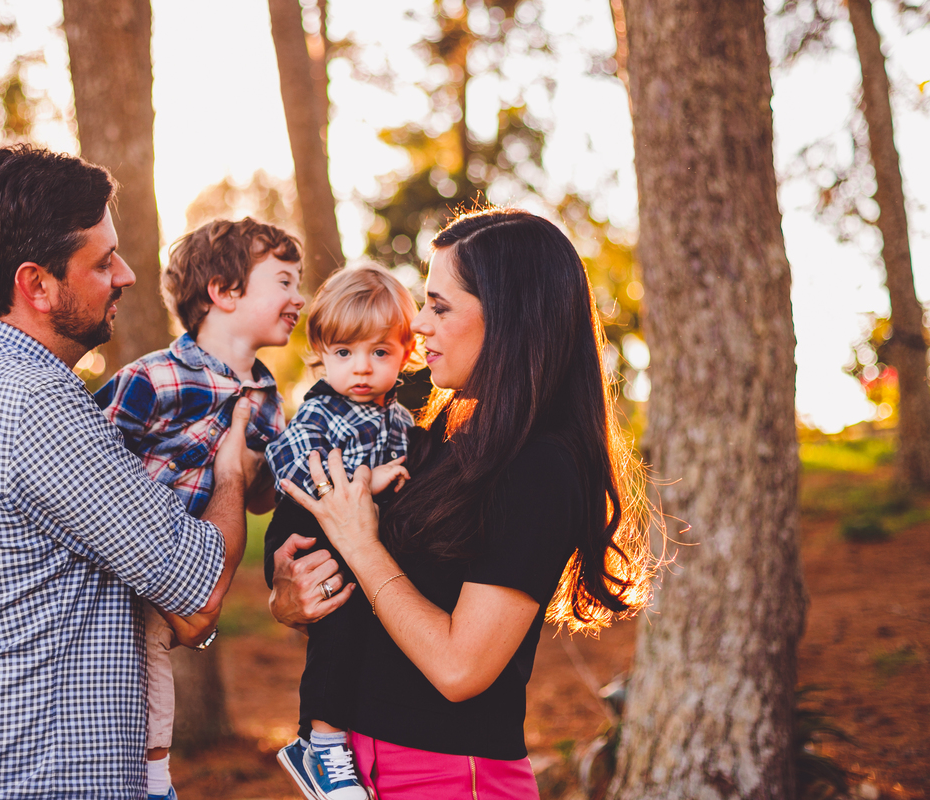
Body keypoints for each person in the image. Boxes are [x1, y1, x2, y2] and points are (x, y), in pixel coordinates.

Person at [0, 145, 260, 800]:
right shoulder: (34, 402)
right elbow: (200, 593)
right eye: (102, 261)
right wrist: (233, 466)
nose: (125, 274)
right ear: (36, 284)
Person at [269, 208, 652, 798]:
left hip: (450, 777)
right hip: (362, 766)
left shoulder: (540, 466)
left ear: (509, 318)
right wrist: (293, 596)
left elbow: (459, 669)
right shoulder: (441, 433)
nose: (418, 325)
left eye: (440, 306)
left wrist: (360, 544)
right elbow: (383, 604)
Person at [93, 217, 306, 800]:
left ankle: (155, 784)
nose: (299, 298)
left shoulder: (266, 402)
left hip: (180, 587)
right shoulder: (154, 377)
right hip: (115, 573)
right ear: (224, 291)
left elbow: (261, 499)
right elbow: (90, 465)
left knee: (155, 695)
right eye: (284, 281)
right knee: (115, 698)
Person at [261, 265, 419, 800]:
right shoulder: (320, 410)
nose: (361, 368)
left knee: (365, 627)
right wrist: (365, 480)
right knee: (343, 622)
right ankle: (320, 744)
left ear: (406, 353)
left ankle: (341, 737)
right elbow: (288, 468)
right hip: (304, 534)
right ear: (321, 354)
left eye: (379, 353)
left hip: (355, 540)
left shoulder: (400, 419)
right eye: (345, 353)